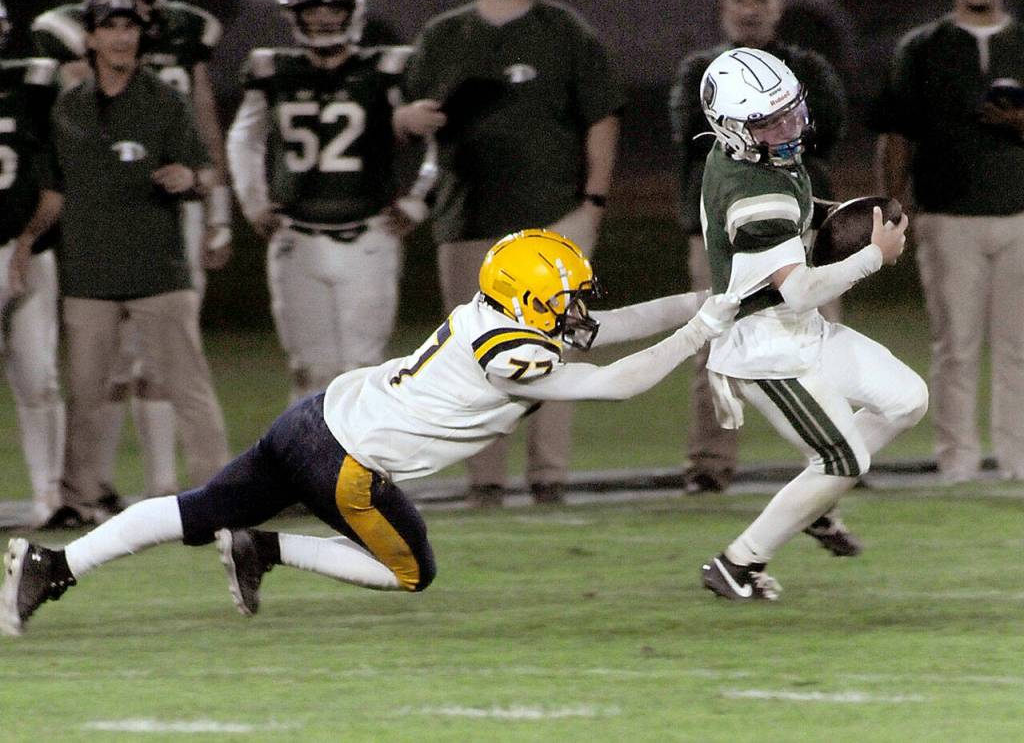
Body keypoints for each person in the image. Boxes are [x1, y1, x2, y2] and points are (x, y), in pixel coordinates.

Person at [1, 228, 739, 636]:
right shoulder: (510, 349)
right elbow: (615, 380)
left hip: (315, 419)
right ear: (532, 301)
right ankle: (268, 547)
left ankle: (54, 566)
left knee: (195, 511)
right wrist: (701, 331)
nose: (579, 310)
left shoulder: (504, 317)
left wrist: (709, 300)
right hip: (346, 463)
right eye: (567, 299)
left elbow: (614, 326)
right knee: (411, 573)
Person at [393, 0, 624, 507]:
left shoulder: (565, 31)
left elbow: (601, 116)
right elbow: (412, 119)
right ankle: (484, 483)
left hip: (551, 220)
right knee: (474, 359)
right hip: (466, 216)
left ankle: (548, 477)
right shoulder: (443, 35)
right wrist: (407, 119)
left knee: (555, 351)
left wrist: (593, 202)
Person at [694, 48, 928, 601]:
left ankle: (820, 500)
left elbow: (793, 219)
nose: (789, 127)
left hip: (797, 330)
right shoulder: (754, 193)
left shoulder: (755, 159)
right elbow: (798, 287)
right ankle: (738, 564)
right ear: (731, 126)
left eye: (791, 112)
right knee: (843, 457)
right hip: (764, 348)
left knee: (906, 399)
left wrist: (831, 212)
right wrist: (873, 254)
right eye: (770, 122)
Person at [9, 0, 231, 528]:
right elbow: (54, 192)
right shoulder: (67, 108)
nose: (121, 36)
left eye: (129, 26)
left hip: (159, 270)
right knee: (86, 397)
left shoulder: (163, 99)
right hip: (88, 274)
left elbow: (202, 172)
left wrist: (190, 179)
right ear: (90, 38)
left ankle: (220, 496)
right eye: (110, 26)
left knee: (190, 390)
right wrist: (23, 243)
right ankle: (81, 499)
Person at [669, 0, 848, 494]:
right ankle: (709, 462)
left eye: (760, 0)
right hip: (722, 231)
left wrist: (756, 126)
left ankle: (837, 450)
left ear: (777, 7)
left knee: (819, 337)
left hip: (801, 225)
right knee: (715, 343)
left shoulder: (808, 68)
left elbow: (830, 126)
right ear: (724, 8)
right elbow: (691, 130)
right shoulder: (699, 68)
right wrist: (778, 124)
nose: (750, 9)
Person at [228, 0, 426, 402]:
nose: (321, 17)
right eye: (311, 7)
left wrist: (419, 198)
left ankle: (363, 470)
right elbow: (244, 138)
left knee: (364, 371)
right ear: (293, 13)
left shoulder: (387, 69)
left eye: (332, 7)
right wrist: (253, 201)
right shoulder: (272, 71)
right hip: (296, 237)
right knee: (308, 371)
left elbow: (438, 138)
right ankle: (308, 470)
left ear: (352, 11)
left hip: (369, 235)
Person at [872, 0, 1024, 484]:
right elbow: (894, 132)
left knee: (1017, 351)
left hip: (1019, 215)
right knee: (956, 348)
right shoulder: (922, 48)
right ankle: (957, 465)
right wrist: (891, 202)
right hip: (946, 217)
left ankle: (1017, 464)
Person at [0, 0, 66, 528]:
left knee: (38, 379)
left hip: (27, 249)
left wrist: (24, 241)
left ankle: (49, 495)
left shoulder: (29, 90)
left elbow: (51, 187)